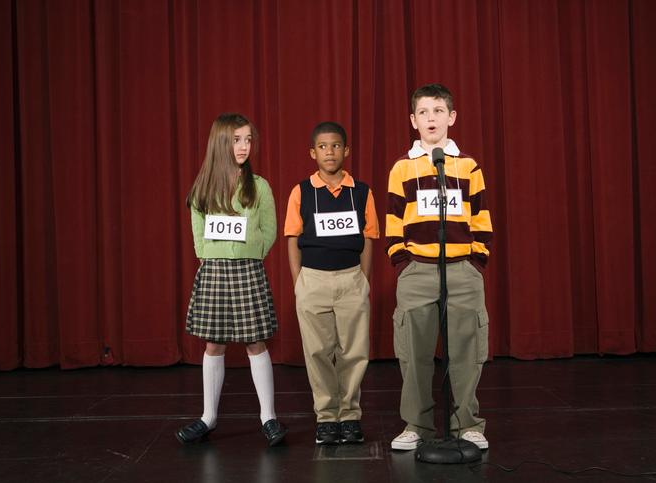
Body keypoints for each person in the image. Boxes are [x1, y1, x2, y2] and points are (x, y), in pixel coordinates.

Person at [385, 84, 492, 451]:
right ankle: (417, 424)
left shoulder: (468, 165)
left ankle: (467, 424)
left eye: (439, 111)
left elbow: (480, 216)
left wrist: (476, 260)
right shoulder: (402, 168)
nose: (432, 118)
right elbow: (393, 220)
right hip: (418, 271)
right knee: (413, 354)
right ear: (413, 120)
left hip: (462, 269)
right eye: (424, 112)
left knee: (466, 350)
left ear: (452, 117)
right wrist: (403, 261)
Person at [176, 113, 287, 447]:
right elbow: (198, 232)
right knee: (213, 343)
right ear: (220, 143)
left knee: (256, 342)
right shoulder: (203, 186)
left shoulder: (260, 186)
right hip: (213, 270)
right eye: (237, 139)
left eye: (248, 139)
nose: (244, 146)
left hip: (248, 270)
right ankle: (208, 417)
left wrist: (252, 254)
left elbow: (269, 230)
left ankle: (268, 416)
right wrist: (210, 255)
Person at [284, 121, 380, 445]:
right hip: (312, 281)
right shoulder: (301, 191)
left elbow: (369, 237)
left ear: (346, 150)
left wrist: (363, 278)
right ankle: (326, 417)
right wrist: (299, 281)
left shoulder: (362, 191)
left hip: (351, 279)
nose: (330, 151)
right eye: (323, 146)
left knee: (354, 352)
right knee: (317, 353)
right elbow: (292, 237)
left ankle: (350, 415)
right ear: (313, 153)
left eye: (336, 145)